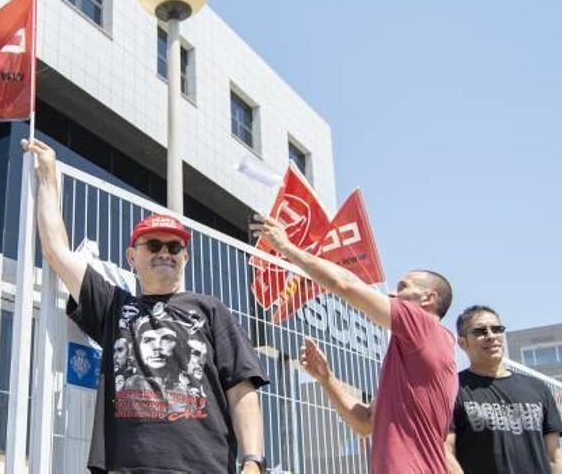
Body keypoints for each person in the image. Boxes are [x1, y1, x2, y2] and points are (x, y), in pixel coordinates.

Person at [25, 138, 270, 474]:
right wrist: (49, 177)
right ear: (132, 257)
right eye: (153, 244)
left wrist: (253, 461)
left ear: (185, 257)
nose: (164, 252)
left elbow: (241, 388)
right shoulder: (114, 307)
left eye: (174, 246)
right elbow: (56, 252)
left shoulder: (212, 311)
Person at [253, 214, 457, 473]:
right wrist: (326, 379)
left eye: (403, 287)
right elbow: (364, 423)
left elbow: (345, 284)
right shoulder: (414, 354)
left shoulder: (424, 325)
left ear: (428, 298)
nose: (392, 294)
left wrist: (286, 247)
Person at [445, 305, 562, 473]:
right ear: (462, 343)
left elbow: (554, 456)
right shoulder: (451, 389)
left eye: (496, 329)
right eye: (480, 331)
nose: (491, 336)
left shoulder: (538, 388)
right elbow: (446, 451)